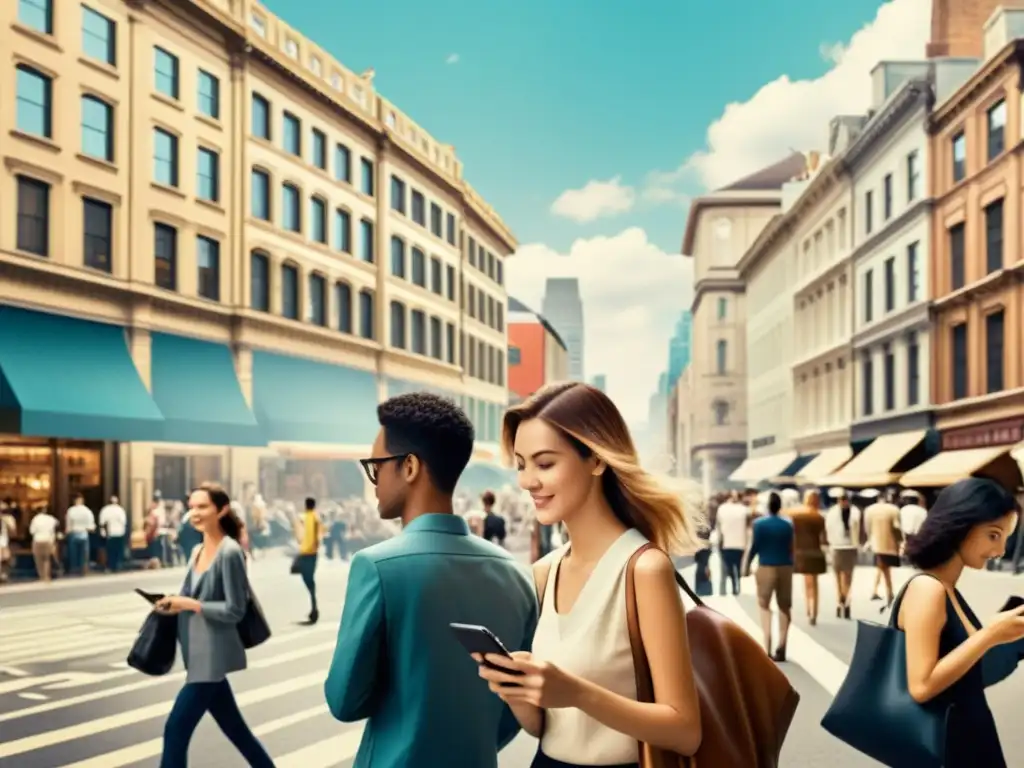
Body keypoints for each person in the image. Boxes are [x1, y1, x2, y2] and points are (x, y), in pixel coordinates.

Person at [475, 382, 702, 768]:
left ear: (596, 460)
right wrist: (517, 692)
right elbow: (549, 728)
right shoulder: (545, 571)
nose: (527, 481)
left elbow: (685, 731)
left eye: (545, 463)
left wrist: (577, 692)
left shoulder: (644, 569)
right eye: (521, 464)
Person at [324, 393, 537, 768]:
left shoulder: (375, 566)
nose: (373, 481)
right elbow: (514, 710)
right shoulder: (516, 575)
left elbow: (344, 700)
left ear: (409, 467)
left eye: (376, 467)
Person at [896, 477, 1024, 767]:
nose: (1001, 550)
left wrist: (1007, 639)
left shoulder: (947, 588)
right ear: (961, 526)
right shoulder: (928, 589)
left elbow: (965, 675)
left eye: (1005, 537)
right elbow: (922, 684)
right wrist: (990, 634)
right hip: (950, 747)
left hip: (967, 737)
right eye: (994, 535)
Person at [153, 484, 273, 768]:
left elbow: (235, 609)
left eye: (202, 507)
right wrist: (170, 603)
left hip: (212, 655)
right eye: (191, 506)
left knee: (175, 731)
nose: (194, 513)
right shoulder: (196, 550)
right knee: (237, 732)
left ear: (221, 510)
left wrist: (191, 605)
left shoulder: (229, 552)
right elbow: (188, 594)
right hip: (196, 651)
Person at [744, 491, 794, 662]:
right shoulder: (788, 524)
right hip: (785, 567)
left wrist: (746, 565)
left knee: (764, 606)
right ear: (780, 506)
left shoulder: (759, 524)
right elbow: (791, 547)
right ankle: (783, 645)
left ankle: (768, 645)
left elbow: (754, 547)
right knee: (784, 606)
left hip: (766, 566)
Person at [789, 489, 827, 626]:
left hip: (801, 552)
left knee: (807, 583)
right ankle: (814, 612)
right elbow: (823, 537)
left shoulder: (796, 515)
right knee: (814, 584)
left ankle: (808, 609)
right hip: (815, 552)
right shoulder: (819, 517)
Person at [824, 488, 861, 619]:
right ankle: (843, 600)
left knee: (843, 576)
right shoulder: (854, 512)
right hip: (842, 547)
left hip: (843, 547)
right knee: (844, 576)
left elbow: (827, 529)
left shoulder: (833, 512)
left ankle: (842, 600)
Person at [864, 488, 902, 608]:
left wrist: (869, 540)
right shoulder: (894, 510)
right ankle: (889, 593)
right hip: (889, 545)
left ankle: (881, 592)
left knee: (883, 568)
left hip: (877, 544)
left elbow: (867, 528)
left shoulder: (869, 510)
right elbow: (897, 527)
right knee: (885, 569)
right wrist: (900, 542)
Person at [715, 490, 749, 596]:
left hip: (727, 543)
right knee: (738, 566)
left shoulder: (722, 509)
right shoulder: (744, 509)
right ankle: (736, 586)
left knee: (729, 567)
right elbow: (747, 527)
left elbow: (718, 527)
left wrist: (718, 540)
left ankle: (733, 586)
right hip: (740, 543)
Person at [294, 496, 321, 625]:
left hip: (306, 553)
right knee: (309, 579)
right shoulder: (315, 518)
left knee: (308, 580)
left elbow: (300, 535)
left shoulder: (306, 517)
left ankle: (314, 608)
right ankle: (314, 607)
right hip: (311, 553)